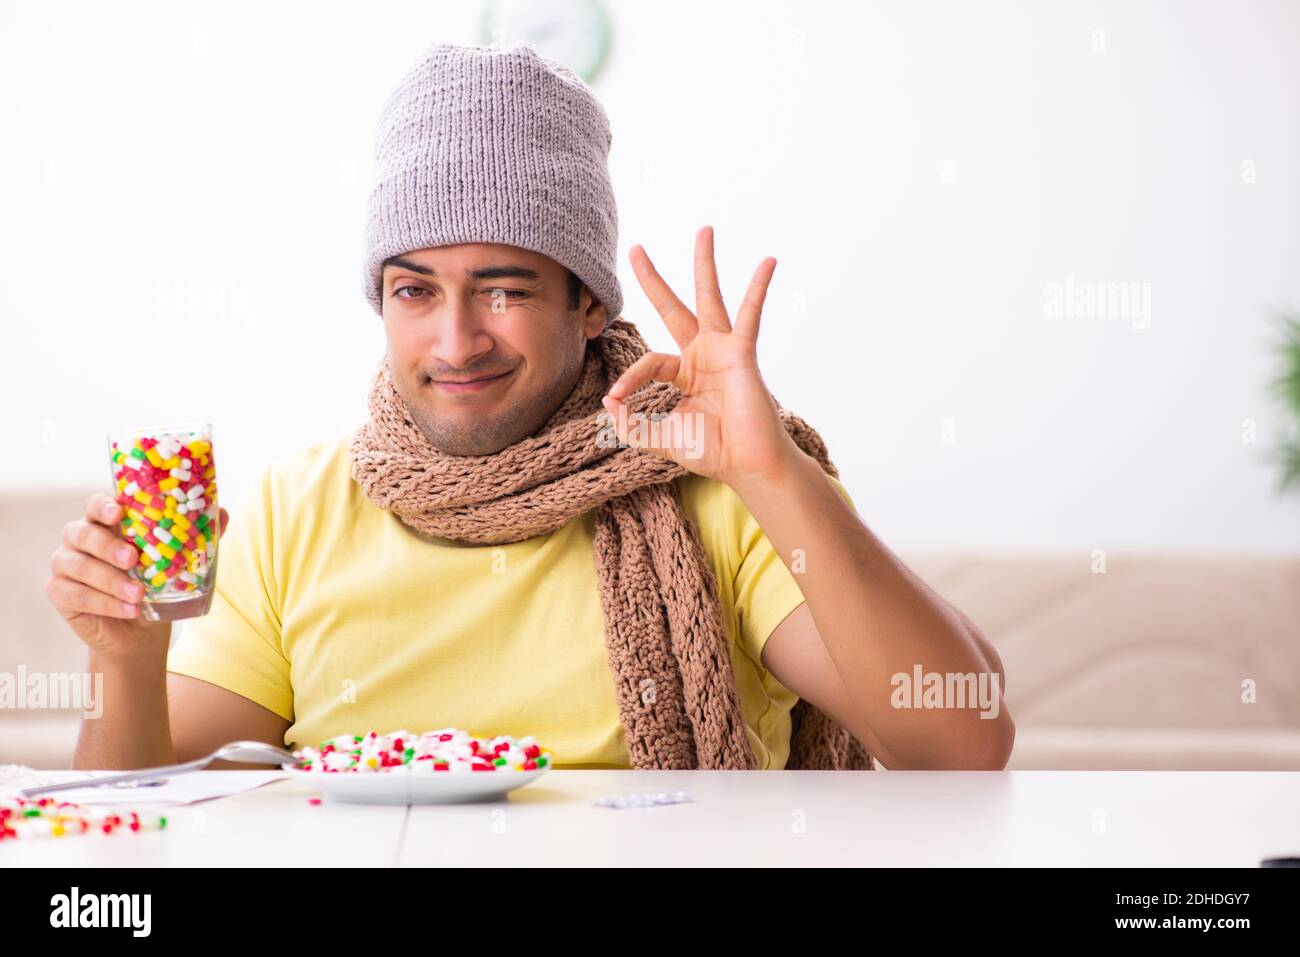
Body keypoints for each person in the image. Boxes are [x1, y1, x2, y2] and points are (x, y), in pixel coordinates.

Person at [47, 41, 1012, 772]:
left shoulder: (711, 484)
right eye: (415, 290)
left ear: (589, 304)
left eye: (503, 288)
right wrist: (126, 659)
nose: (456, 340)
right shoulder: (295, 510)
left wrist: (772, 473)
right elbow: (153, 820)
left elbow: (964, 742)